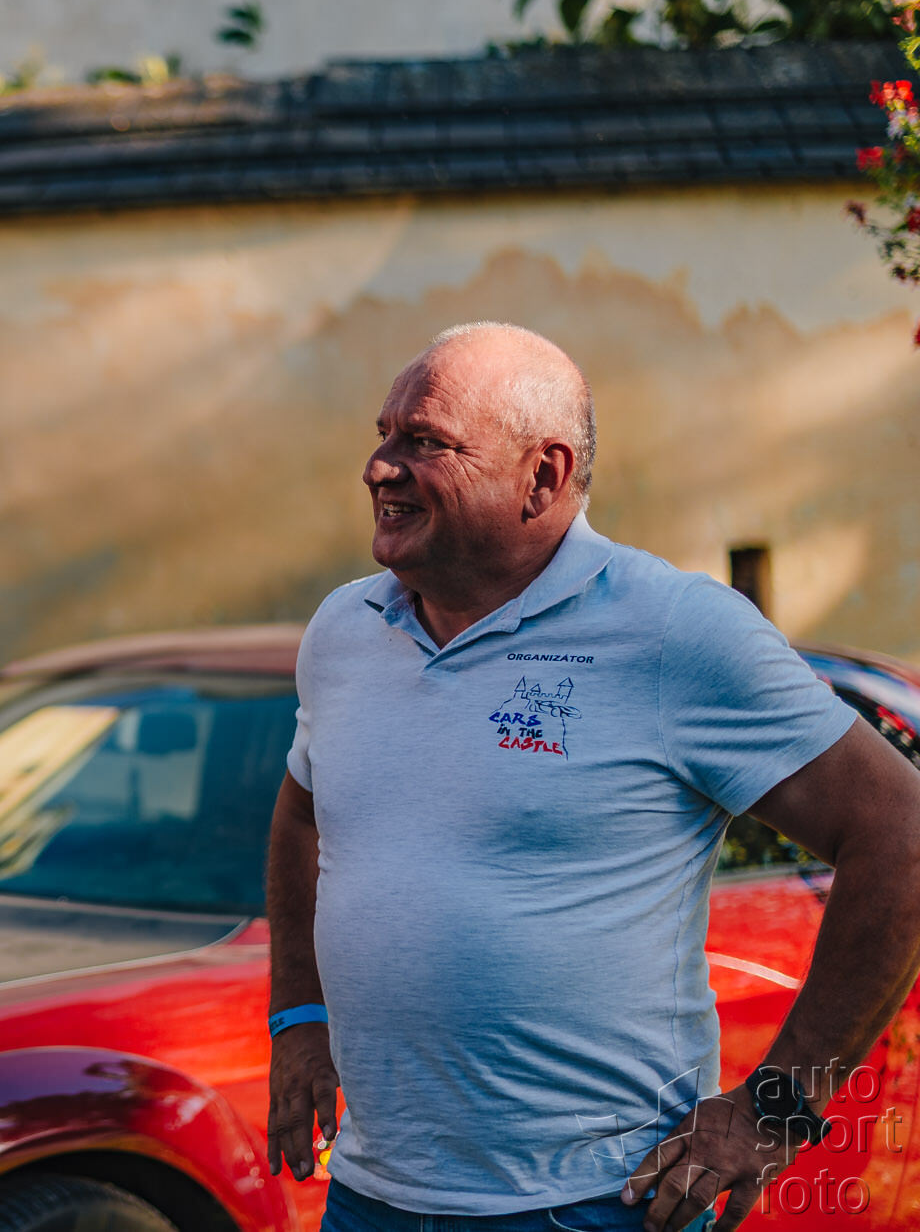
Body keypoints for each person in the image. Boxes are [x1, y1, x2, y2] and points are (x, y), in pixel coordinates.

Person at [265, 322, 920, 1232]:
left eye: (425, 441)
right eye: (383, 435)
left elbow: (901, 834)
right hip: (372, 1197)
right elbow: (303, 815)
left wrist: (776, 1109)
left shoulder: (674, 630)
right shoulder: (344, 629)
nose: (380, 467)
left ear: (543, 474)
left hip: (597, 1203)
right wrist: (297, 1013)